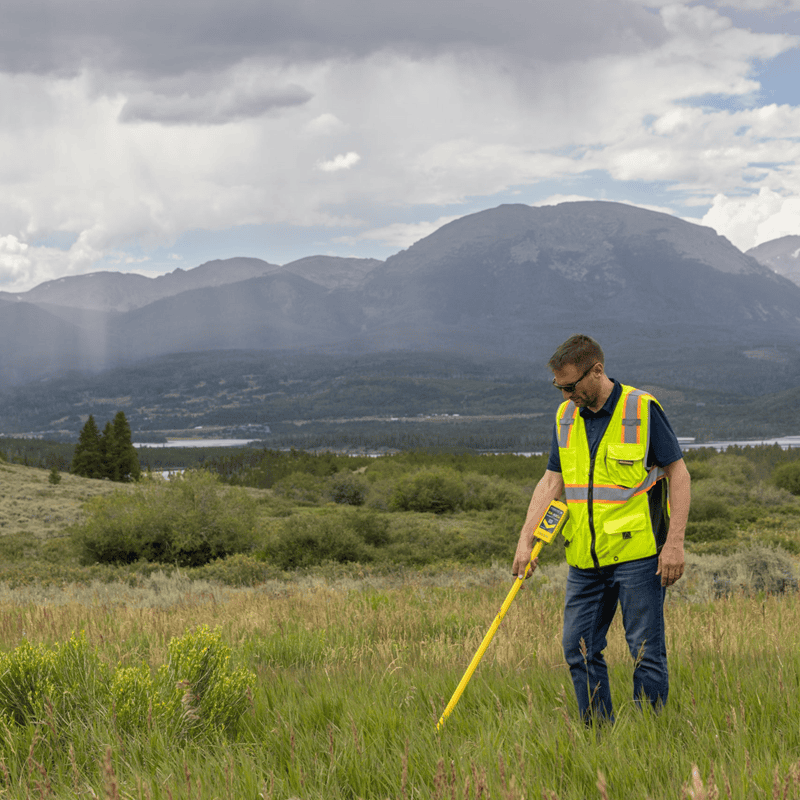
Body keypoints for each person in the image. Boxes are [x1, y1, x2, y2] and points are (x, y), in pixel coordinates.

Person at [512, 334, 690, 723]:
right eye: (558, 387)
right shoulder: (565, 418)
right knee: (578, 648)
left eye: (571, 386)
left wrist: (674, 543)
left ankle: (649, 734)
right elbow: (551, 483)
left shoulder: (641, 409)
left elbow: (679, 474)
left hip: (638, 556)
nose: (564, 396)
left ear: (597, 371)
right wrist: (525, 540)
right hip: (584, 558)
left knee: (645, 651)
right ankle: (598, 733)